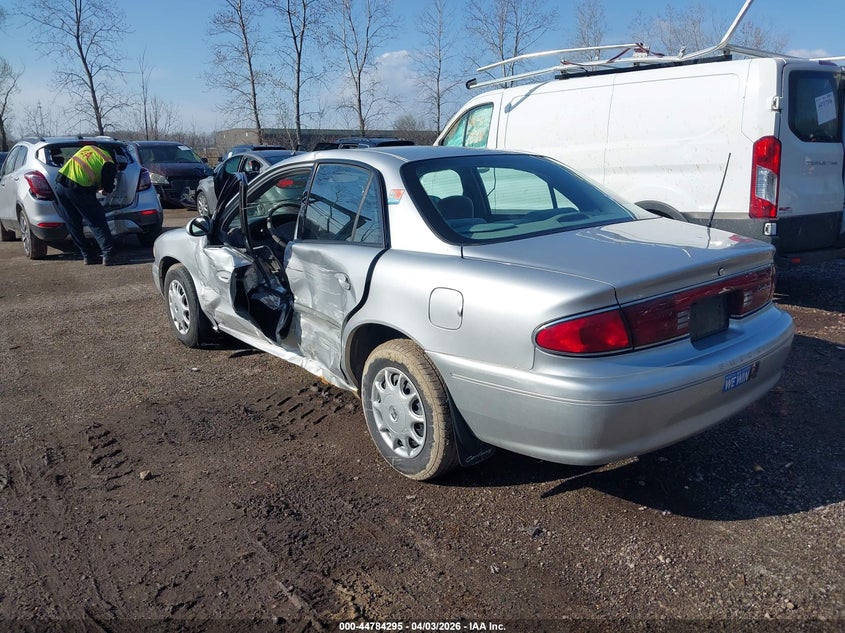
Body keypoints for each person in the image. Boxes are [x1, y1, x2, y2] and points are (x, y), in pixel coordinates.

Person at [54, 144, 119, 265]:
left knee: (73, 223)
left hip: (60, 184)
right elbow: (107, 188)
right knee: (96, 220)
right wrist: (106, 190)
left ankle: (88, 255)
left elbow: (86, 168)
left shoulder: (88, 148)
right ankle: (109, 254)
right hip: (79, 188)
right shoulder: (108, 161)